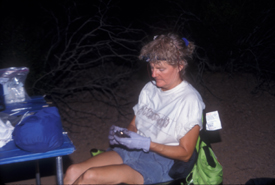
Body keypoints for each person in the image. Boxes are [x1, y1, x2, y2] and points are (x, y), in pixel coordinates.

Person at [63, 33, 205, 184]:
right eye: (151, 67)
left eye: (161, 69)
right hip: (133, 151)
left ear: (180, 66)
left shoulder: (189, 100)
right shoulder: (150, 89)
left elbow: (185, 154)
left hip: (161, 161)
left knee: (90, 176)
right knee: (73, 171)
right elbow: (134, 124)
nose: (153, 74)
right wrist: (123, 135)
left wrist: (147, 144)